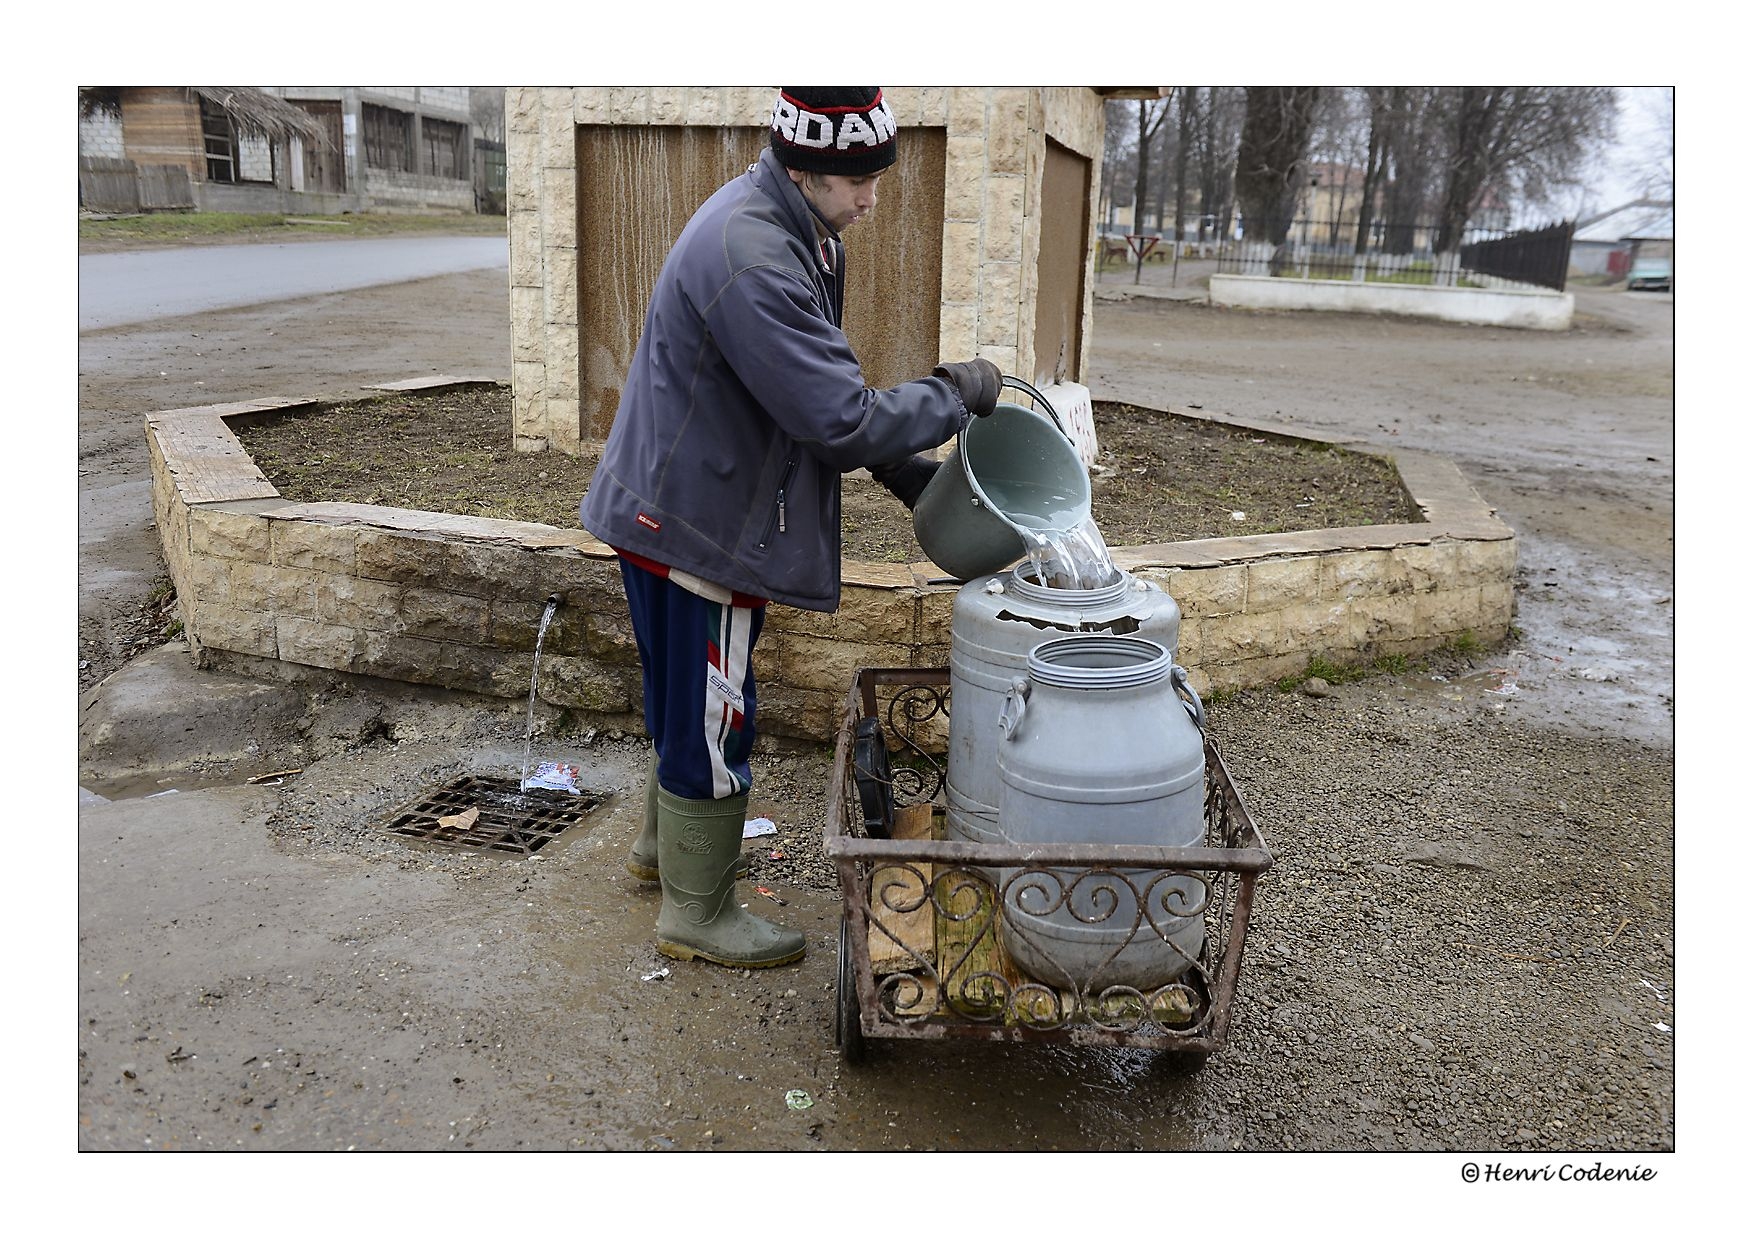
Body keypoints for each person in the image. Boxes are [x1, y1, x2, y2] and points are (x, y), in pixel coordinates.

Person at [579, 87, 1001, 970]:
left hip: (676, 500)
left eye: (878, 177)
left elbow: (804, 388)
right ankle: (698, 914)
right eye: (859, 181)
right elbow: (837, 418)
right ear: (806, 166)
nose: (873, 199)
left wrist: (898, 465)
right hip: (698, 524)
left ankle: (662, 855)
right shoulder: (758, 256)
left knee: (686, 700)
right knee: (716, 713)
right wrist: (952, 396)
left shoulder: (789, 227)